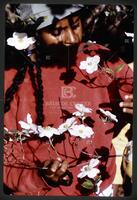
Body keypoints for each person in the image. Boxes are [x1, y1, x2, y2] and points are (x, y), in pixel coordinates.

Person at [4, 4, 133, 196]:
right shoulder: (12, 78)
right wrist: (40, 178)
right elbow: (7, 158)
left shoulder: (103, 60)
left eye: (75, 25)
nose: (72, 39)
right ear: (33, 36)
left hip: (99, 187)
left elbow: (124, 122)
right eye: (57, 32)